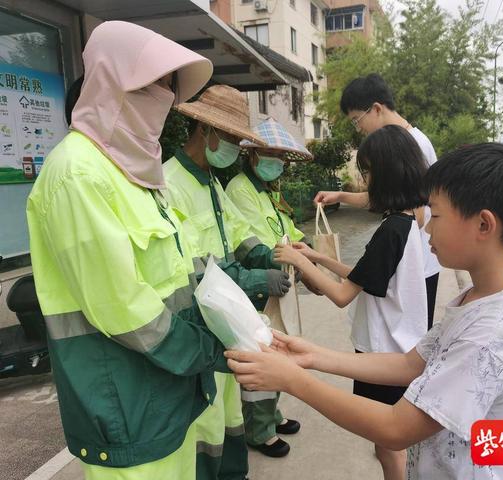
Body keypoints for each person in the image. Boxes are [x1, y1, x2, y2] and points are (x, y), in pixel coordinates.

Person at [226, 143, 503, 480]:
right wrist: (310, 357)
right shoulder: (479, 299)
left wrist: (293, 380)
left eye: (436, 215)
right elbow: (409, 364)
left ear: (484, 225)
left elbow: (397, 428)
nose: (426, 228)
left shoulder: (494, 331)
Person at [26, 21, 231, 480]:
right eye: (151, 83)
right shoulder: (77, 173)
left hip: (167, 390)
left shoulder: (136, 173)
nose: (164, 96)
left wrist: (229, 324)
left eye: (168, 86)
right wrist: (206, 350)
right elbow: (122, 306)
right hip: (125, 401)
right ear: (108, 81)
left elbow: (180, 273)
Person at [273, 125, 428, 480]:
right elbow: (363, 276)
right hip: (396, 347)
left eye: (369, 171)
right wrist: (317, 256)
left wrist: (299, 263)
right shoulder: (405, 222)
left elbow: (343, 295)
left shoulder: (391, 230)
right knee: (385, 442)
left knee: (388, 444)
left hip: (385, 353)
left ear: (387, 173)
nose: (365, 179)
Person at [162, 85, 296, 471]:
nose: (237, 149)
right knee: (207, 423)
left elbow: (237, 233)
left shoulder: (212, 183)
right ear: (207, 132)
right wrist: (256, 279)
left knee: (228, 414)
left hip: (223, 319)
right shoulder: (172, 185)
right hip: (199, 321)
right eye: (234, 140)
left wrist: (269, 255)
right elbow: (195, 267)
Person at [314, 74, 441, 329]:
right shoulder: (403, 142)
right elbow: (387, 198)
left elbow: (417, 215)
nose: (358, 128)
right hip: (409, 265)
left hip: (416, 269)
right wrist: (340, 196)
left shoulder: (407, 145)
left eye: (356, 120)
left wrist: (383, 244)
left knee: (404, 340)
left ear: (376, 109)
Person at [225, 117, 312, 457]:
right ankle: (259, 430)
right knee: (260, 355)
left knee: (277, 350)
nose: (278, 162)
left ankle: (271, 415)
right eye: (271, 154)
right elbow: (250, 243)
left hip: (277, 281)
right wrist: (283, 262)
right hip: (256, 285)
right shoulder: (240, 189)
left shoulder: (268, 191)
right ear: (253, 155)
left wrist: (308, 255)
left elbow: (287, 229)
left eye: (282, 156)